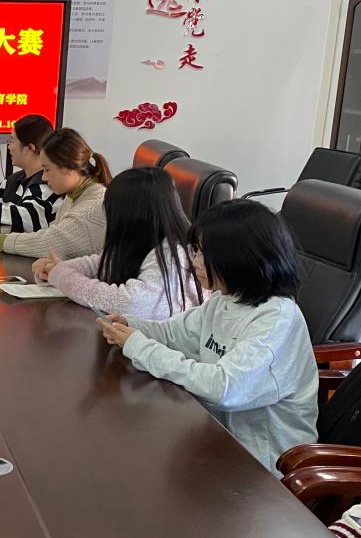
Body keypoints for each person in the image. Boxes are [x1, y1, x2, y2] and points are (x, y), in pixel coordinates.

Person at [98, 200, 318, 473]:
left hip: (265, 466)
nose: (194, 262)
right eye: (195, 250)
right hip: (215, 438)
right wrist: (133, 325)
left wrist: (140, 347)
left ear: (237, 257)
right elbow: (172, 334)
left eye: (202, 253)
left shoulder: (276, 320)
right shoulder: (225, 300)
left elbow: (223, 388)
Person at [37, 166, 203, 320]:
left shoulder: (172, 255)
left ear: (129, 217)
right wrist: (61, 268)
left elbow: (131, 304)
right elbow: (106, 262)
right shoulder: (146, 240)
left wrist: (63, 276)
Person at [0, 128, 109, 259]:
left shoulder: (91, 209)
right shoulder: (74, 195)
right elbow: (55, 236)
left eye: (47, 169)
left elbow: (49, 242)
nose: (44, 177)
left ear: (68, 168)